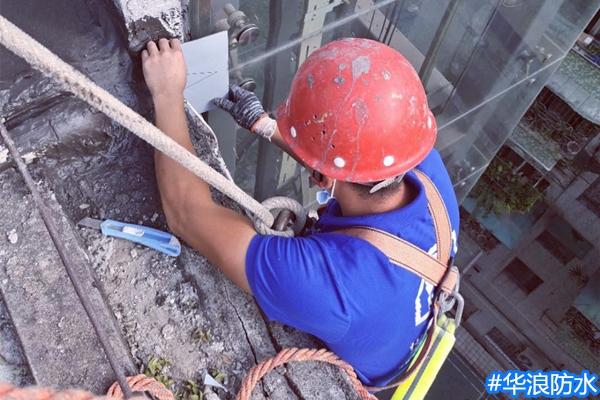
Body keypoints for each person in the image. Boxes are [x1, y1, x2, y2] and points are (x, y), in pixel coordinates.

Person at [141, 37, 459, 388]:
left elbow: (187, 213)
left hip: (373, 368)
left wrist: (167, 93)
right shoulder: (421, 164)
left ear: (321, 175)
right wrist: (265, 125)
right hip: (406, 323)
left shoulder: (331, 285)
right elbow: (352, 160)